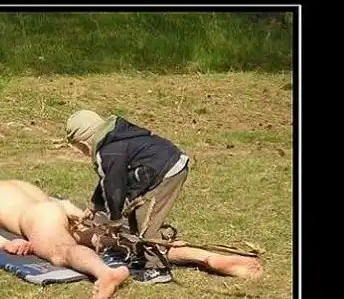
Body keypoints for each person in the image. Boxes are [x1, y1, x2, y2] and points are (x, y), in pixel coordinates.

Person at [66, 109, 262, 281]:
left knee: (146, 225)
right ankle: (143, 257)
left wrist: (115, 221)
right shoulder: (114, 137)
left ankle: (157, 270)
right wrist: (94, 207)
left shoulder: (107, 152)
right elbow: (108, 180)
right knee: (136, 216)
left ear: (84, 144)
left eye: (80, 149)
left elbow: (114, 187)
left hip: (164, 172)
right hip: (160, 166)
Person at [0, 169, 130, 299]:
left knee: (61, 251)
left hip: (37, 216)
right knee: (103, 238)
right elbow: (57, 203)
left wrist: (3, 243)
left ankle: (105, 274)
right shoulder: (8, 183)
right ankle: (143, 249)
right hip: (58, 209)